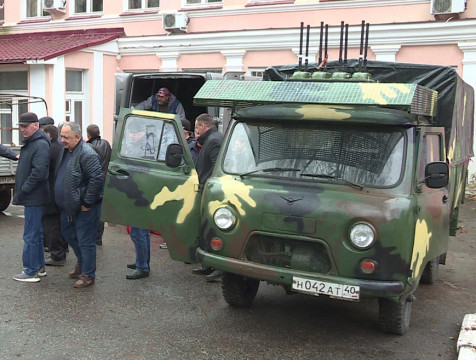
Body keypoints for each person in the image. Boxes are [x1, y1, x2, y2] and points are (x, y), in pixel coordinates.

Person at [55, 122, 104, 288]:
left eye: (66, 137)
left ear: (77, 137)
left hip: (84, 207)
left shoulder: (87, 153)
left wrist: (87, 202)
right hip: (69, 206)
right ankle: (82, 263)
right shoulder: (66, 151)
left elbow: (97, 179)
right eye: (61, 136)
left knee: (86, 240)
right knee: (69, 234)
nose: (62, 140)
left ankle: (88, 274)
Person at [12, 112, 50, 283]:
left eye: (25, 126)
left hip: (34, 197)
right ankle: (39, 267)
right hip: (34, 197)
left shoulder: (39, 145)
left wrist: (23, 190)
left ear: (35, 125)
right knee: (37, 234)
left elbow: (39, 173)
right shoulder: (33, 143)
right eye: (20, 126)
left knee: (31, 235)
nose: (22, 130)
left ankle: (31, 271)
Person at [192, 113, 224, 281]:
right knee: (205, 228)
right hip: (206, 188)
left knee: (213, 229)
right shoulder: (212, 139)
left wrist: (207, 186)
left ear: (203, 126)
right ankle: (207, 264)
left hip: (210, 191)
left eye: (197, 128)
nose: (196, 131)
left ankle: (217, 267)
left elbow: (217, 168)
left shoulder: (214, 140)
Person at [42, 123, 69, 267]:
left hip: (50, 192)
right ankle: (63, 248)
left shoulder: (50, 149)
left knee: (51, 224)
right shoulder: (60, 148)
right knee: (59, 223)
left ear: (48, 135)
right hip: (59, 191)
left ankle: (57, 255)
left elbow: (44, 171)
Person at [86, 124, 112, 246]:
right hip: (105, 180)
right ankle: (98, 237)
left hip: (92, 182)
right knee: (100, 211)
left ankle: (90, 236)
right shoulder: (106, 144)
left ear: (88, 135)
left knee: (89, 209)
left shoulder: (88, 147)